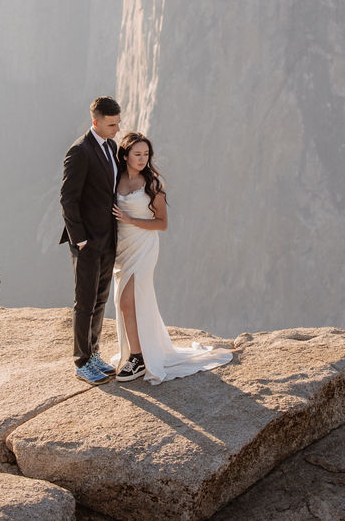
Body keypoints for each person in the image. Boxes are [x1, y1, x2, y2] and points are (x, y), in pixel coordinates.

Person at [110, 132, 233, 383]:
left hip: (144, 248)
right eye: (137, 154)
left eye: (146, 154)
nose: (143, 159)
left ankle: (138, 358)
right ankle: (140, 351)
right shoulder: (116, 179)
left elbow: (162, 223)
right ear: (125, 156)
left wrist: (131, 220)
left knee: (126, 302)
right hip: (123, 249)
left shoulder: (152, 184)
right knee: (129, 302)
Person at [60, 96, 122, 385]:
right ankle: (81, 361)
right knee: (84, 302)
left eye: (118, 123)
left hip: (108, 238)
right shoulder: (79, 151)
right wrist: (80, 240)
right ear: (95, 121)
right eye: (111, 124)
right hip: (86, 242)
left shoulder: (110, 147)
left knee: (100, 299)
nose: (117, 129)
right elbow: (68, 199)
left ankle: (94, 352)